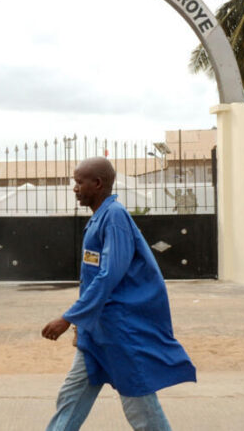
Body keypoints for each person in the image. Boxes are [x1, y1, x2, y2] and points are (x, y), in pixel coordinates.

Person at [42, 157, 195, 431]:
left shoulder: (114, 217)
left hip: (119, 333)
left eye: (79, 182)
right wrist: (82, 324)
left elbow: (109, 275)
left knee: (141, 410)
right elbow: (92, 280)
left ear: (97, 184)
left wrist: (68, 318)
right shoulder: (99, 219)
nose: (74, 188)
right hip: (97, 332)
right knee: (71, 398)